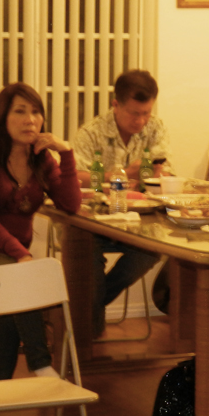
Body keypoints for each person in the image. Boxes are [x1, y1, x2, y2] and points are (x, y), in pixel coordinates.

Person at [0, 82, 81, 382]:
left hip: (11, 257)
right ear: (3, 117)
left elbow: (70, 204)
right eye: (20, 112)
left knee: (13, 290)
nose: (30, 120)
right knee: (19, 278)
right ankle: (40, 363)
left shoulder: (41, 158)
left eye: (35, 112)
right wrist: (22, 255)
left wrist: (66, 153)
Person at [73, 70, 172, 335]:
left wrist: (158, 176)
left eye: (146, 113)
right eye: (134, 113)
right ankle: (87, 332)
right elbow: (76, 177)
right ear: (115, 104)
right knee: (86, 253)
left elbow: (164, 170)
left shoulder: (155, 128)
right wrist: (122, 174)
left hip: (138, 221)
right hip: (94, 222)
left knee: (152, 250)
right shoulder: (91, 133)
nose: (141, 121)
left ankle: (84, 312)